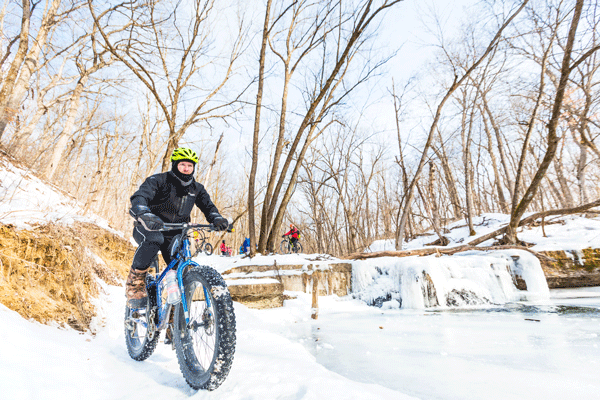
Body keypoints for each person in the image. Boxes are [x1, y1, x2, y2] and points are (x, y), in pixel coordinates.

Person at [126, 147, 229, 309]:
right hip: (148, 227)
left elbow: (209, 207)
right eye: (183, 165)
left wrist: (216, 219)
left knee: (182, 270)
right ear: (175, 165)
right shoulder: (158, 180)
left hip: (176, 234)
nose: (186, 169)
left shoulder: (197, 188)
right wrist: (145, 214)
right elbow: (140, 198)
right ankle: (136, 282)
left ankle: (176, 317)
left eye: (190, 165)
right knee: (154, 239)